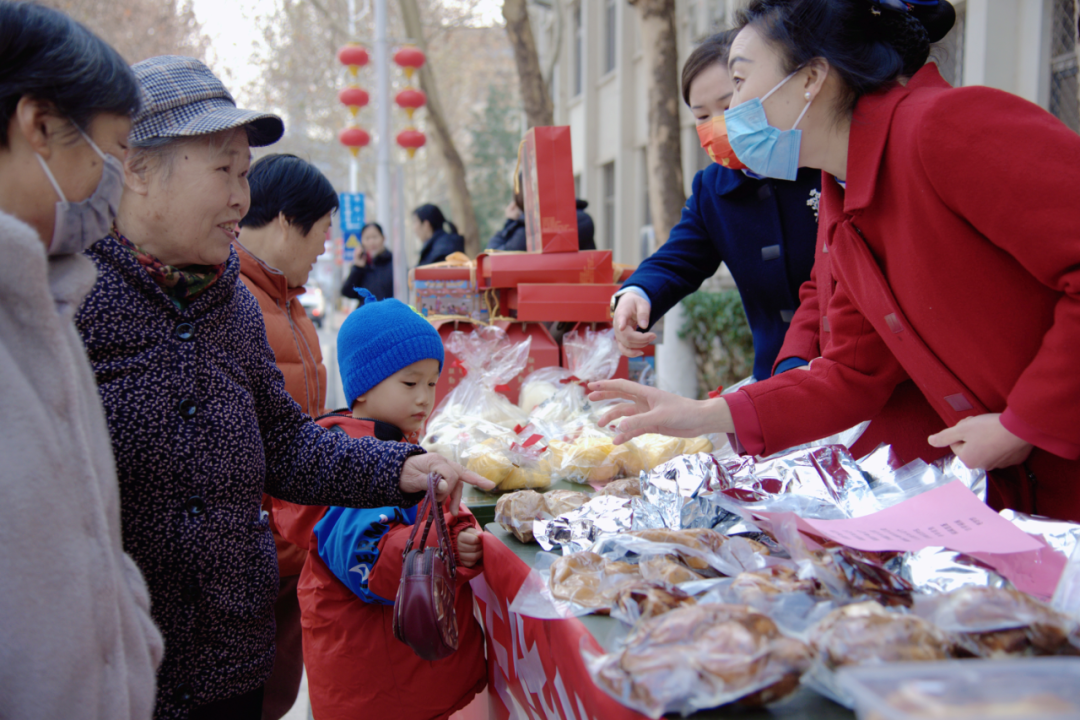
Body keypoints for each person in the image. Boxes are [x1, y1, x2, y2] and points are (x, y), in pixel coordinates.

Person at [74, 55, 492, 720]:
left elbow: (288, 444)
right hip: (115, 672)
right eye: (225, 171)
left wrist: (403, 468)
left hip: (231, 664)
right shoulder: (72, 298)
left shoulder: (230, 304)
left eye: (245, 173)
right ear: (136, 167)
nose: (243, 197)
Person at [591, 0, 1080, 521]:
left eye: (738, 82)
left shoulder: (945, 125)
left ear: (812, 77)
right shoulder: (841, 192)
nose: (730, 112)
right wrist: (702, 415)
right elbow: (850, 370)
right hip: (1013, 494)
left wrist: (1021, 423)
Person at [0, 4, 163, 719]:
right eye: (114, 150)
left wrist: (128, 639)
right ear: (38, 124)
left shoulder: (49, 293)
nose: (118, 180)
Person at [273, 291, 487, 720]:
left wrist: (459, 531)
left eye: (431, 382)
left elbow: (426, 521)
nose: (425, 398)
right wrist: (447, 541)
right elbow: (375, 563)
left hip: (406, 677)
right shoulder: (350, 462)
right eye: (410, 383)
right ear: (363, 389)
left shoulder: (401, 446)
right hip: (378, 688)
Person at [611, 29, 820, 381]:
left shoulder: (825, 164)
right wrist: (638, 292)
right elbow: (677, 259)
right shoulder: (714, 189)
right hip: (773, 384)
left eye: (728, 105)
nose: (717, 124)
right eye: (701, 115)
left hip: (855, 379)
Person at [234, 152, 336, 720]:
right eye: (320, 234)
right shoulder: (234, 299)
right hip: (260, 554)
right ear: (283, 222)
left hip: (294, 545)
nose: (323, 250)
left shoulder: (286, 299)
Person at [341, 222, 394, 300]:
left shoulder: (393, 262)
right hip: (366, 311)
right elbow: (347, 292)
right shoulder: (361, 266)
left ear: (383, 238)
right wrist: (357, 268)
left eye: (375, 237)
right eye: (367, 238)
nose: (371, 242)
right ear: (362, 241)